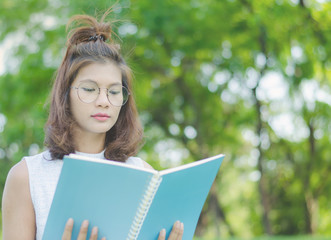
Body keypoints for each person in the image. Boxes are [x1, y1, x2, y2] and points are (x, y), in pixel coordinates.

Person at [2, 9, 184, 240]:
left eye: (114, 92)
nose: (103, 102)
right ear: (65, 95)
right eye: (89, 89)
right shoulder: (27, 177)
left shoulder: (144, 175)